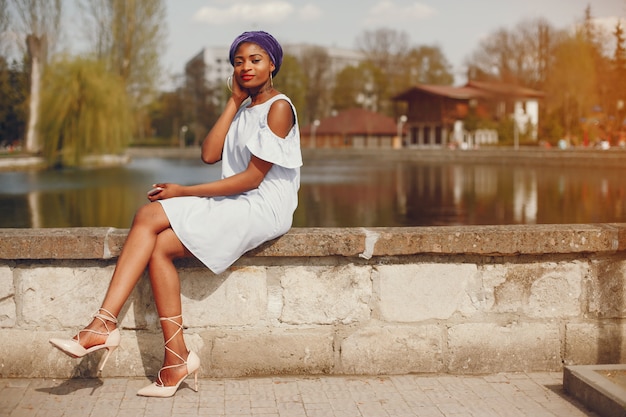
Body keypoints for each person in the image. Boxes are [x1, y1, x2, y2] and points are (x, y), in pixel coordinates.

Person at [49, 31, 302, 398]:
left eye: (255, 60)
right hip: (240, 201)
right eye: (239, 61)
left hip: (263, 204)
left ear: (273, 64)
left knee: (149, 215)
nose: (246, 67)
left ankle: (102, 325)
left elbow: (251, 178)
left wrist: (183, 191)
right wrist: (233, 103)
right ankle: (176, 358)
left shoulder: (279, 107)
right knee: (158, 247)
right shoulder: (246, 107)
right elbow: (209, 154)